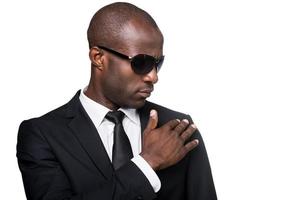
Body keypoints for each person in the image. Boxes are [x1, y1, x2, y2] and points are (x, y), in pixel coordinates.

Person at [17, 2, 217, 200]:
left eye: (157, 63)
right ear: (98, 57)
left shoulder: (178, 130)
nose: (153, 77)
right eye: (142, 62)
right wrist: (147, 163)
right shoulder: (43, 134)